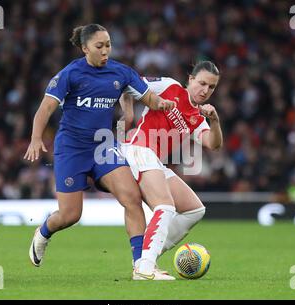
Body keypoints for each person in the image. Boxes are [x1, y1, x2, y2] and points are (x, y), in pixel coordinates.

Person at [24, 24, 176, 280]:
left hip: (103, 147)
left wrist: (163, 103)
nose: (105, 51)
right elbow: (46, 107)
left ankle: (141, 266)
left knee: (131, 197)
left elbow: (149, 99)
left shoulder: (121, 72)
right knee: (71, 215)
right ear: (85, 49)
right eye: (99, 46)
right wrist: (35, 139)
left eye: (108, 45)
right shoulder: (70, 74)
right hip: (71, 149)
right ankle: (43, 233)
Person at [119, 61, 223, 279]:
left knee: (194, 210)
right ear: (191, 79)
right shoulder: (169, 86)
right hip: (138, 148)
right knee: (165, 205)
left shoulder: (198, 118)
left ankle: (147, 257)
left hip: (154, 160)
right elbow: (128, 83)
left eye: (211, 87)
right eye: (202, 83)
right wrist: (128, 113)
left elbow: (213, 143)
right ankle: (145, 267)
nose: (205, 90)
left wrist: (214, 121)